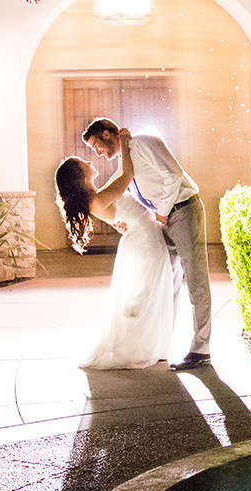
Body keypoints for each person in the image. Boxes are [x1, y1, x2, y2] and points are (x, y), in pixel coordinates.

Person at [82, 117, 212, 370]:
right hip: (165, 218)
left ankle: (201, 349)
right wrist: (119, 221)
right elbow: (129, 190)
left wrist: (162, 212)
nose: (97, 152)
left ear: (108, 134)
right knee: (168, 282)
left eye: (96, 145)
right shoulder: (128, 156)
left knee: (196, 281)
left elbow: (172, 176)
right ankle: (163, 344)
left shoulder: (142, 143)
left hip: (182, 211)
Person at [54, 128, 175, 369]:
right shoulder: (98, 200)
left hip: (142, 242)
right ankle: (136, 349)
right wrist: (126, 143)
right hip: (144, 245)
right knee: (143, 297)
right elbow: (128, 173)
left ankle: (146, 346)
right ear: (79, 175)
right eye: (83, 162)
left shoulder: (98, 196)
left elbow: (122, 173)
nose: (90, 160)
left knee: (144, 295)